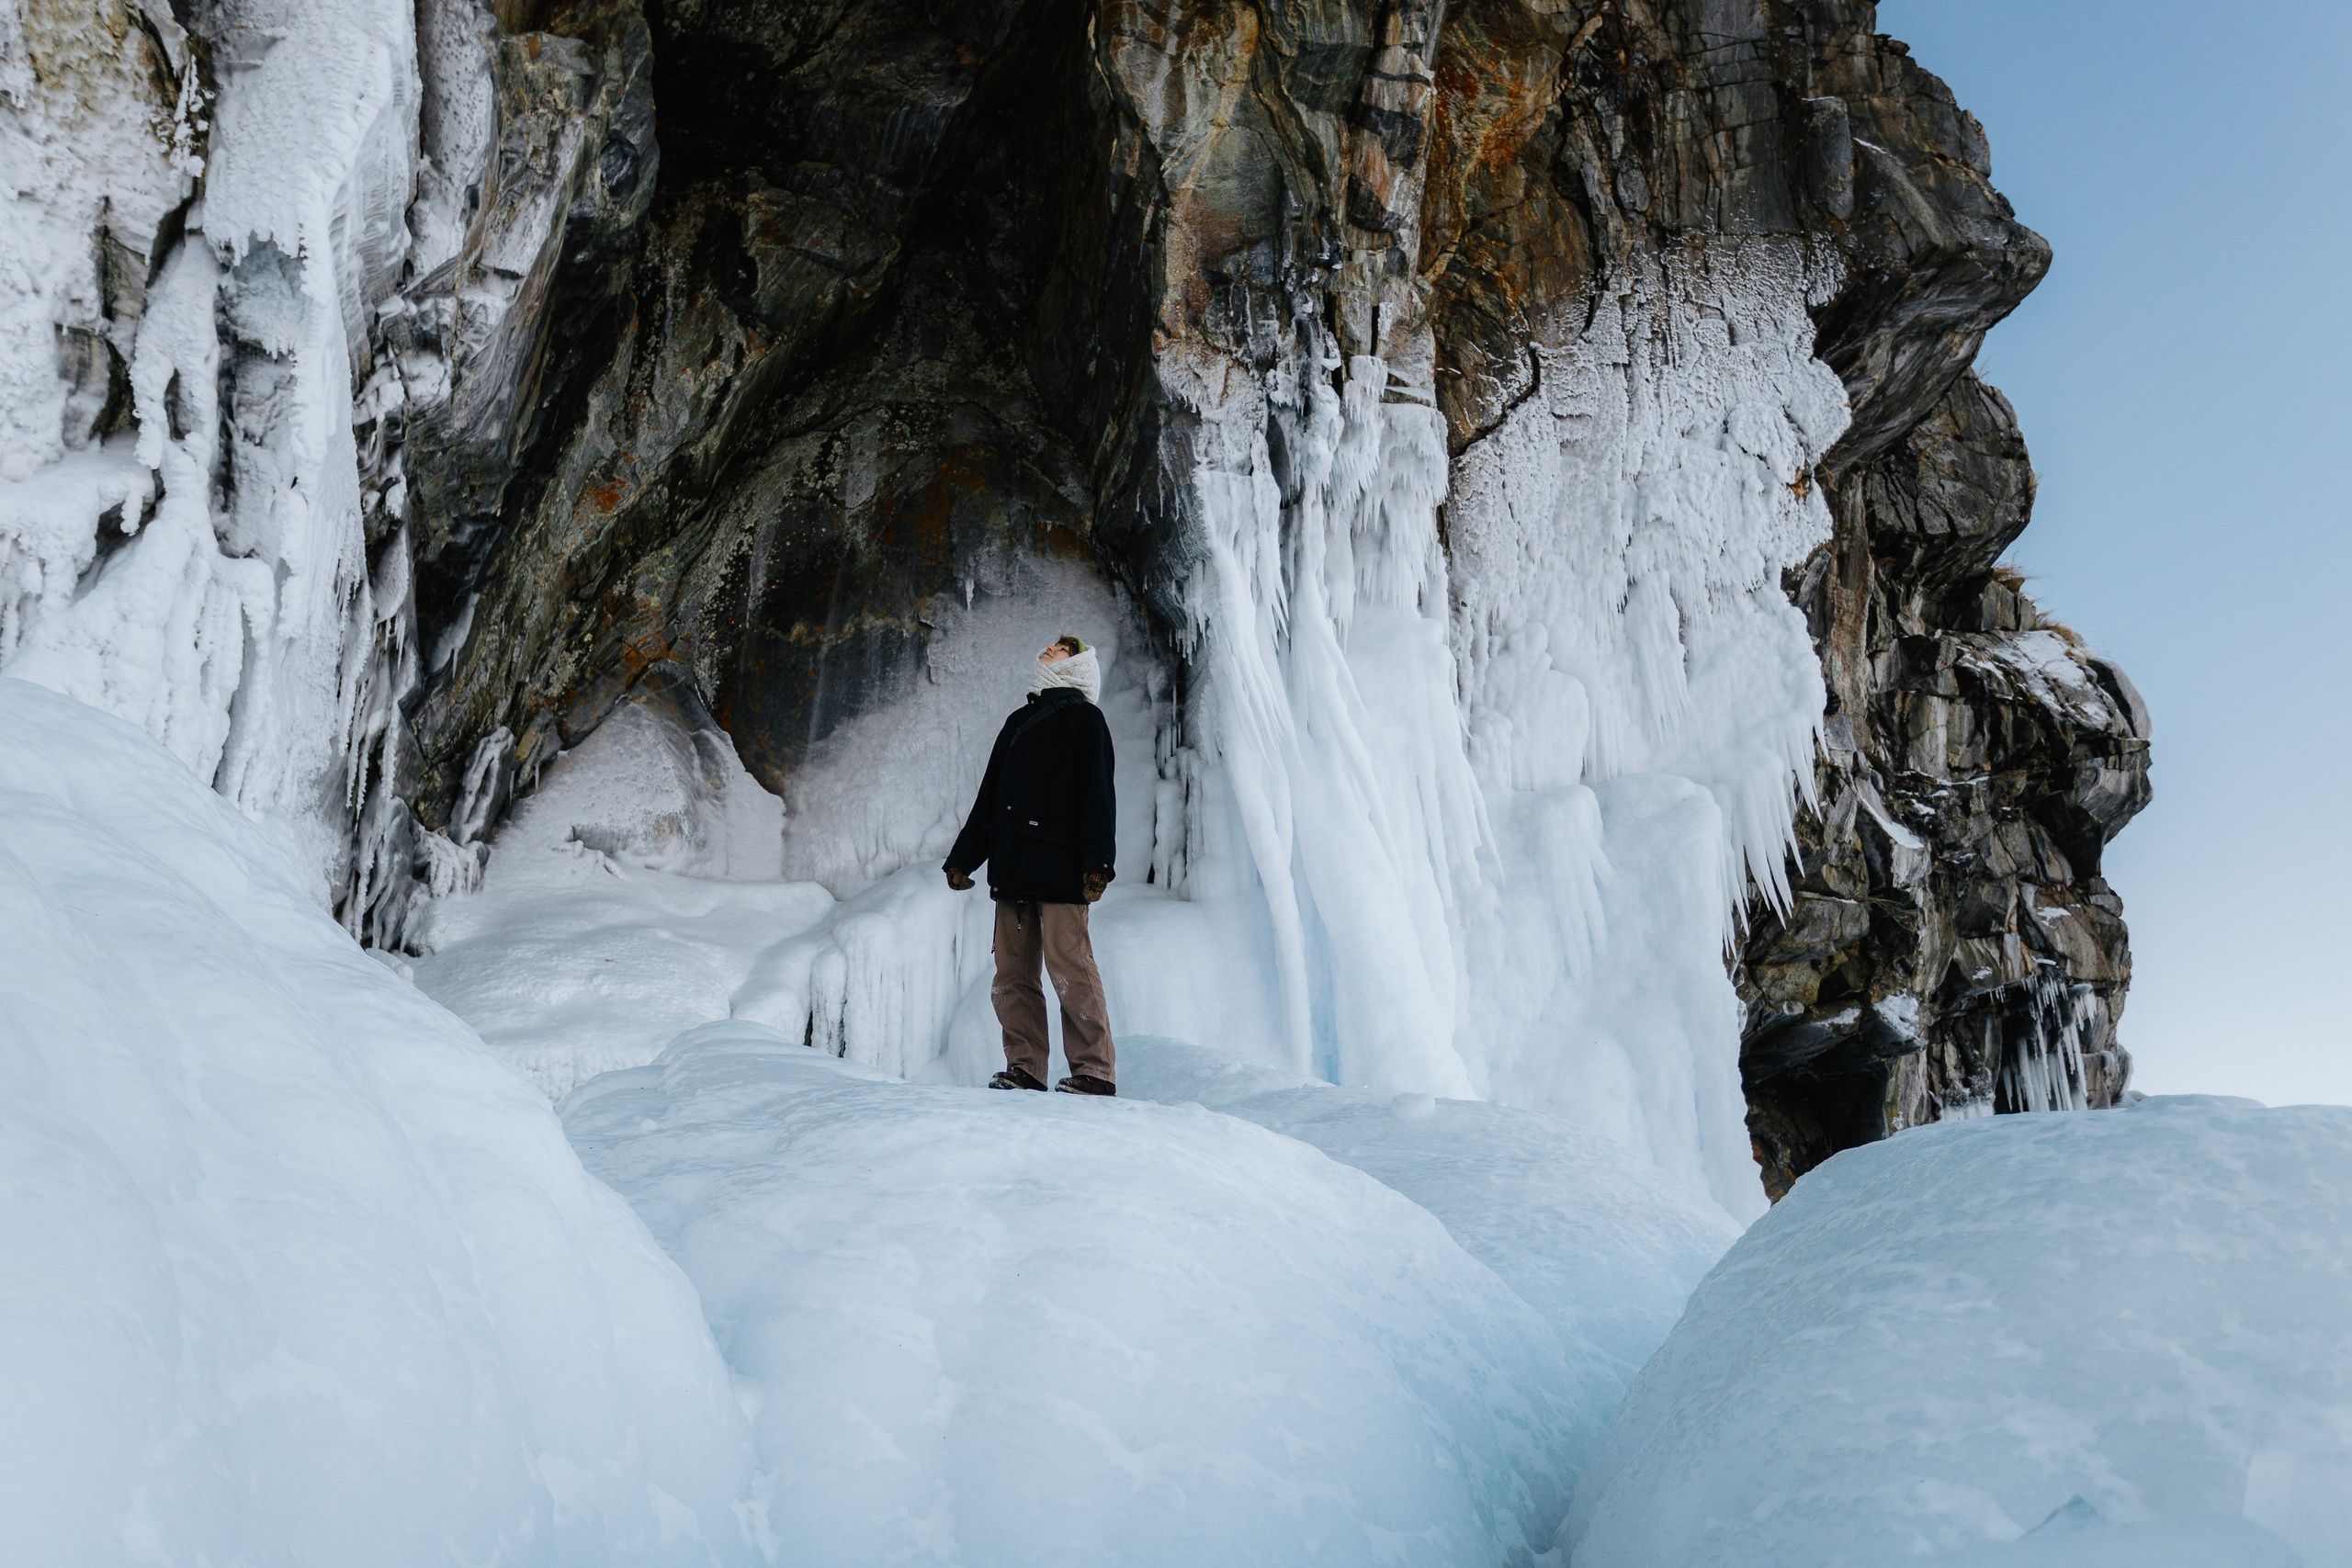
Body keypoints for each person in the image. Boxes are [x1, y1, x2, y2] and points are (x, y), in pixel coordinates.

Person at [944, 635, 1119, 1096]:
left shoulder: (1087, 719)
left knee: (1070, 966)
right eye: (1048, 647)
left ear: (1077, 664)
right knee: (1012, 974)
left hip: (1062, 868)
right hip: (1014, 867)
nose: (1047, 650)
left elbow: (1098, 796)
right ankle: (1024, 1068)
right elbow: (991, 799)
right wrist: (965, 857)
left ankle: (1094, 1071)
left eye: (1059, 649)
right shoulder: (1018, 721)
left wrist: (1098, 862)